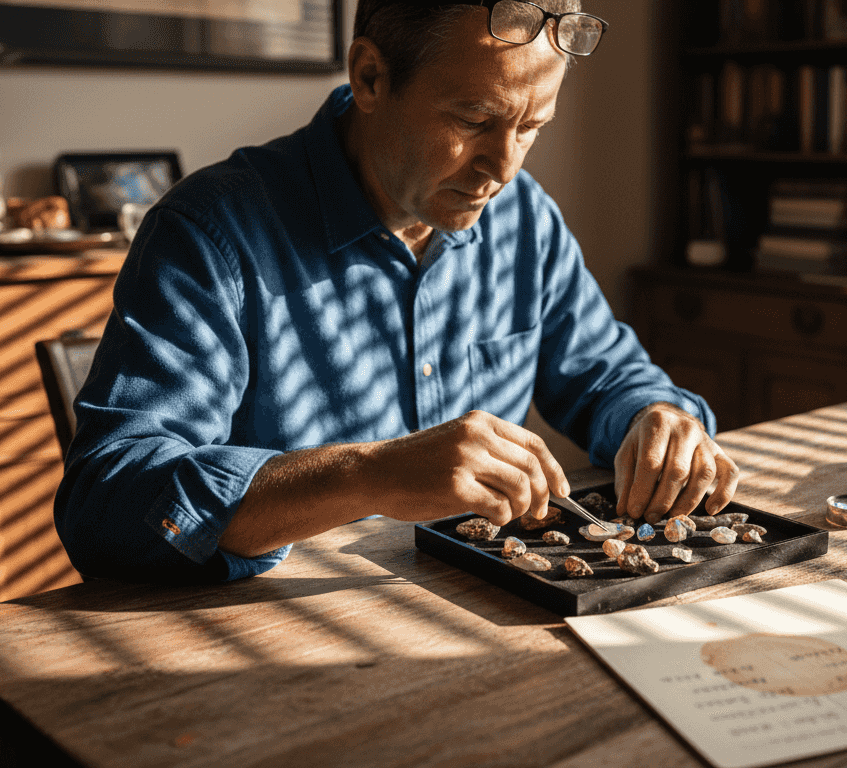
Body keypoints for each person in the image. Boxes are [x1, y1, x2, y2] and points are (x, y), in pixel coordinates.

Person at [55, 0, 739, 583]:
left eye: (531, 127)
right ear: (370, 75)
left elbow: (606, 375)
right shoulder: (211, 235)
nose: (503, 167)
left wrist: (657, 418)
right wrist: (365, 475)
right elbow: (108, 507)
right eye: (474, 120)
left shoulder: (524, 218)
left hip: (489, 614)